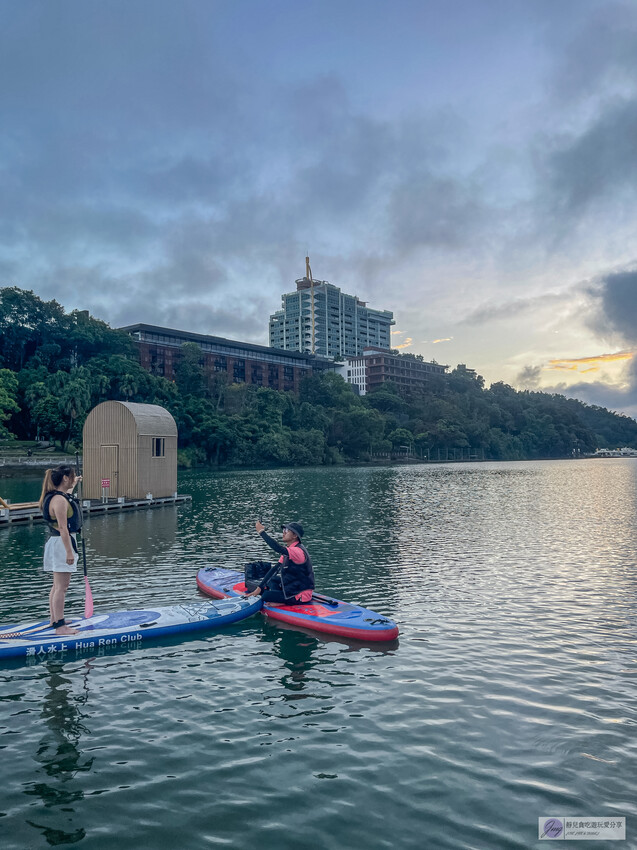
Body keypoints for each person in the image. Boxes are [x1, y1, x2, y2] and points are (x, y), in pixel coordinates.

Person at [39, 465, 83, 635]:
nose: (73, 478)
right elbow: (63, 529)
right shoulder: (59, 501)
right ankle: (60, 627)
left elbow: (68, 491)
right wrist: (69, 552)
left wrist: (76, 482)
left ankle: (55, 618)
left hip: (57, 543)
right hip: (62, 544)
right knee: (61, 588)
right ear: (65, 478)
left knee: (56, 586)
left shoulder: (57, 496)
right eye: (72, 476)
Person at [246, 521, 315, 604]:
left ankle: (282, 602)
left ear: (295, 536)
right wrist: (259, 588)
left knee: (266, 595)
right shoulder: (289, 551)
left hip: (300, 595)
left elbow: (278, 548)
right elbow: (275, 569)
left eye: (287, 531)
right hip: (293, 588)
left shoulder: (297, 551)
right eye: (283, 530)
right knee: (272, 580)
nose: (283, 533)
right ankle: (280, 598)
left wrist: (261, 532)